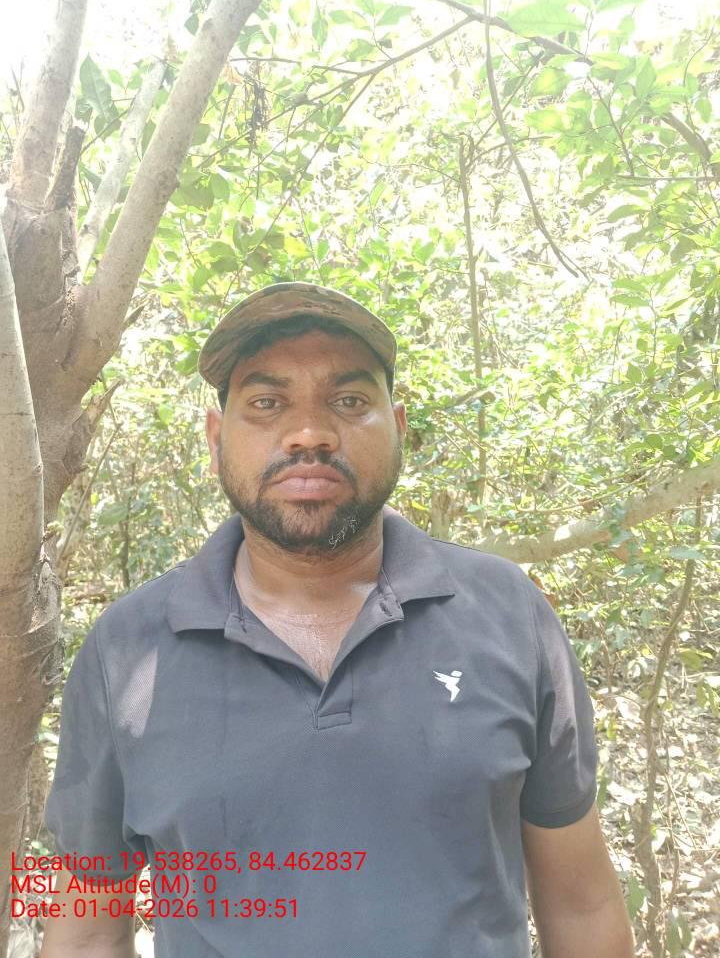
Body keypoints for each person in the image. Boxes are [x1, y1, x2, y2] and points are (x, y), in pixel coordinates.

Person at [40, 282, 635, 957]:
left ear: (399, 429)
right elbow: (86, 929)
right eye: (267, 403)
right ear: (216, 438)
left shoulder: (507, 613)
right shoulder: (125, 651)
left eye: (349, 401)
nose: (310, 433)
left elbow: (582, 904)